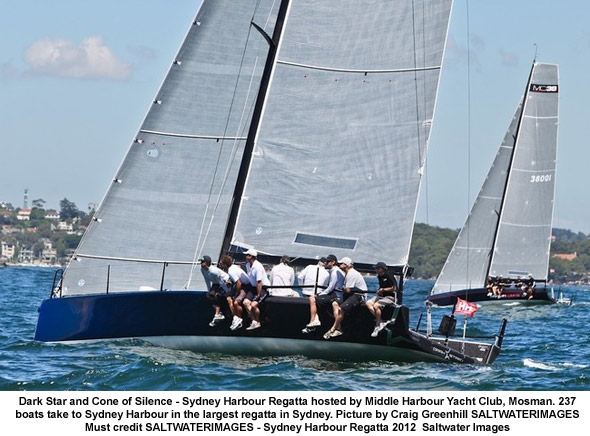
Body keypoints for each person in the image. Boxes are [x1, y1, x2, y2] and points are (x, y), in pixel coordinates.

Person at [323, 257, 367, 339]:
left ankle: (333, 328)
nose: (339, 264)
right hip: (351, 294)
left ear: (346, 265)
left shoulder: (351, 274)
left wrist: (343, 288)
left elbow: (348, 290)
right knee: (335, 303)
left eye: (341, 263)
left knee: (341, 309)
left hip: (358, 295)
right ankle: (338, 327)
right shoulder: (347, 273)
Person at [302, 254, 344, 333]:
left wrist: (320, 294)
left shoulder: (335, 272)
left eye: (328, 262)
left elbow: (331, 287)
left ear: (333, 262)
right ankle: (315, 320)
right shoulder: (334, 271)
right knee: (313, 298)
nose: (325, 263)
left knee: (313, 299)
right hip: (336, 293)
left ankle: (313, 321)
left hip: (337, 294)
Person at [365, 262, 398, 337]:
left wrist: (383, 290)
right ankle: (381, 320)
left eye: (377, 268)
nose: (376, 270)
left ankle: (377, 326)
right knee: (368, 303)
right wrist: (379, 291)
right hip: (382, 296)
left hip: (391, 297)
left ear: (381, 269)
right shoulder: (379, 276)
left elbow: (394, 288)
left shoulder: (389, 275)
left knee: (376, 305)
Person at [199, 255, 231, 327]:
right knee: (209, 295)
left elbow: (221, 282)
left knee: (218, 295)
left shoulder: (214, 271)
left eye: (202, 262)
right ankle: (219, 314)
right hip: (216, 283)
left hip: (225, 282)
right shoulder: (202, 269)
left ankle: (217, 314)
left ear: (207, 263)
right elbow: (206, 280)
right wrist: (209, 290)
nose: (201, 263)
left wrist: (227, 291)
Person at [242, 248, 270, 330]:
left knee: (254, 305)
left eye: (247, 255)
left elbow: (259, 282)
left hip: (262, 288)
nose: (245, 256)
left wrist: (258, 294)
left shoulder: (258, 266)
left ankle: (258, 322)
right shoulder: (247, 265)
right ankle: (254, 321)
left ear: (251, 256)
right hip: (253, 287)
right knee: (245, 302)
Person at [219, 255, 249, 330]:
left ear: (225, 264)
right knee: (229, 298)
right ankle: (235, 318)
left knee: (236, 302)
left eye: (221, 263)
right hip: (239, 286)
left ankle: (239, 318)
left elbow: (239, 283)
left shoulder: (231, 271)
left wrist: (236, 294)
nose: (220, 265)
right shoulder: (232, 267)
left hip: (246, 286)